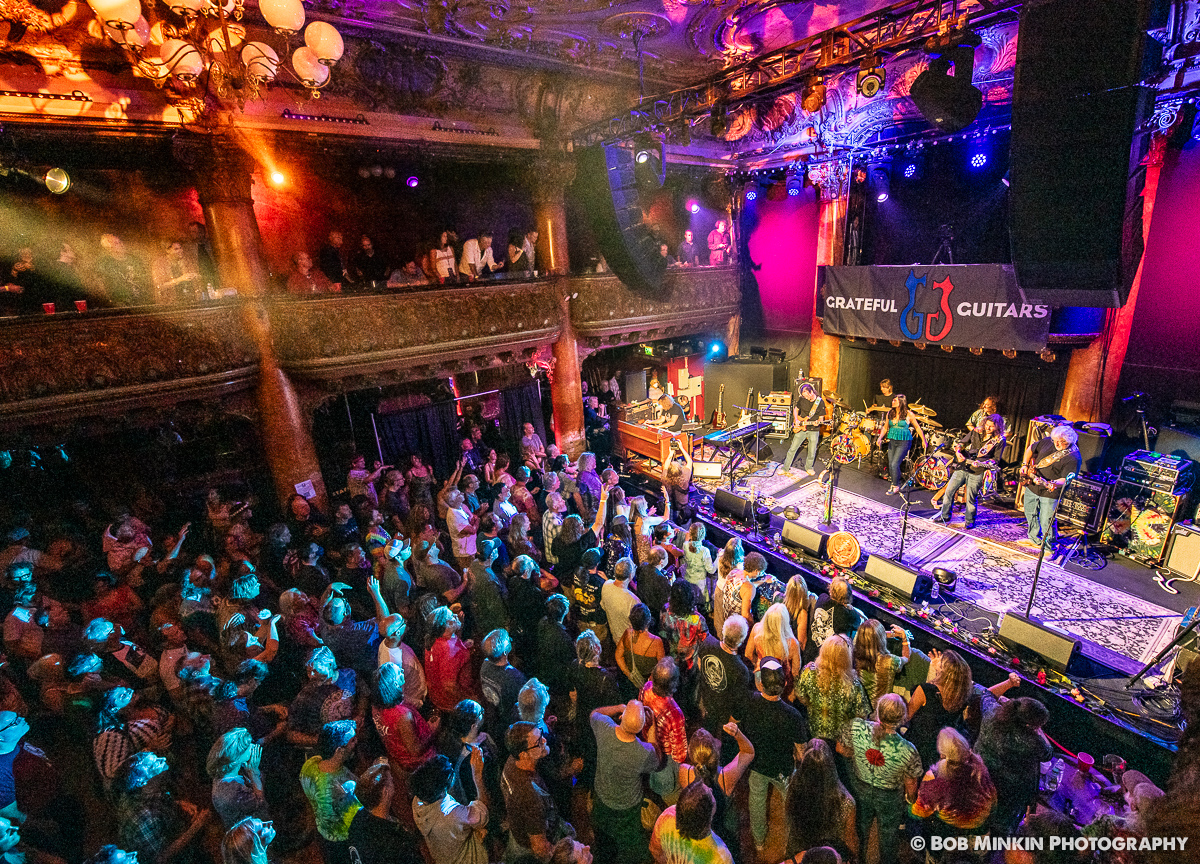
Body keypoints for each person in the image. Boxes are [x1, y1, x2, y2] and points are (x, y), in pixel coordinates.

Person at [839, 694, 922, 864]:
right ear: (901, 719)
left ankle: (857, 860)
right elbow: (911, 782)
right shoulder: (908, 750)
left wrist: (858, 757)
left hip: (859, 786)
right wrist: (911, 799)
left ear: (878, 712)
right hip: (889, 796)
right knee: (888, 834)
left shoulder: (856, 727)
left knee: (860, 827)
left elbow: (841, 748)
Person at [905, 648, 1020, 768]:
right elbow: (987, 695)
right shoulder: (962, 693)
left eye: (941, 661)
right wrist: (1009, 683)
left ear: (945, 671)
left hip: (916, 744)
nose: (938, 660)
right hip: (940, 749)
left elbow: (907, 715)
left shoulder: (926, 690)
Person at [739, 657, 809, 852]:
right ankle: (790, 844)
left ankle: (759, 842)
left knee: (757, 802)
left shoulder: (750, 701)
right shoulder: (793, 715)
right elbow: (802, 751)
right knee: (790, 805)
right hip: (783, 769)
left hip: (757, 765)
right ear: (785, 683)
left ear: (761, 683)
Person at [589, 701, 662, 864]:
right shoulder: (644, 752)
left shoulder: (604, 728)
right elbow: (657, 762)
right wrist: (652, 734)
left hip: (602, 796)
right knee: (629, 847)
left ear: (621, 718)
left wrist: (619, 707)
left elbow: (594, 712)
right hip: (628, 805)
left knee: (603, 839)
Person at [974, 697, 1052, 832]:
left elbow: (986, 695)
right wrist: (1039, 732)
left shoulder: (991, 712)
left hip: (979, 774)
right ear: (1029, 726)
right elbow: (1048, 753)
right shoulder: (1033, 741)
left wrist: (1005, 703)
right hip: (1009, 790)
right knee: (1002, 823)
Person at [674, 723, 753, 850]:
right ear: (716, 752)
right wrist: (737, 733)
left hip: (703, 829)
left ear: (690, 753)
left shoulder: (685, 772)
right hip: (725, 829)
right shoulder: (725, 777)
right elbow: (749, 752)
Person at [502, 721, 572, 861]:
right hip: (534, 845)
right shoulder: (530, 796)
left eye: (541, 734)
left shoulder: (512, 759)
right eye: (538, 742)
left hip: (521, 834)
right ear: (524, 755)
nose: (544, 740)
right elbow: (540, 848)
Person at [910, 727, 997, 838]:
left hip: (948, 834)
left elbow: (920, 811)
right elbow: (993, 798)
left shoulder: (933, 778)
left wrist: (908, 806)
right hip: (980, 830)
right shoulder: (979, 767)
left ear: (942, 755)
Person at [299, 720, 364, 860]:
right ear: (339, 751)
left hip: (324, 834)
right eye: (352, 740)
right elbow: (360, 821)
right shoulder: (344, 790)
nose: (356, 742)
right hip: (345, 842)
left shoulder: (310, 764)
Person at [784, 739, 857, 862]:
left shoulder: (792, 786)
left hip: (799, 850)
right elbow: (850, 838)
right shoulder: (846, 801)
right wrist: (853, 857)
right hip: (829, 856)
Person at [411, 752, 488, 864]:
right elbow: (482, 815)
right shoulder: (451, 813)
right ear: (442, 789)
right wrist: (477, 776)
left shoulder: (417, 801)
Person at [934, 414, 1006, 530]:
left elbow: (996, 459)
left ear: (998, 427)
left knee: (971, 498)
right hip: (963, 466)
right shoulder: (976, 431)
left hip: (978, 470)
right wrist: (958, 452)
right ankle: (945, 516)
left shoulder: (999, 440)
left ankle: (969, 521)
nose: (988, 428)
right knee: (949, 491)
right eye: (987, 425)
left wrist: (985, 463)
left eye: (991, 427)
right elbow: (962, 443)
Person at [794, 636, 870, 746]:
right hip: (840, 742)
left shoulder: (809, 673)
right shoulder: (854, 684)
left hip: (814, 737)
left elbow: (800, 696)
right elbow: (862, 716)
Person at [1020, 424, 1081, 548]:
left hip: (1050, 491)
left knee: (1046, 520)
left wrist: (1053, 483)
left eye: (1062, 442)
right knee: (1029, 512)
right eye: (1055, 441)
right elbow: (1031, 448)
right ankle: (1034, 538)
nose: (1057, 444)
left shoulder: (1074, 457)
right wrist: (1025, 464)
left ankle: (1050, 547)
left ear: (1070, 441)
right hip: (1033, 485)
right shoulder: (1048, 441)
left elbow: (1066, 479)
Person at [649, 782, 732, 864]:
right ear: (709, 817)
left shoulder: (667, 817)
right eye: (711, 795)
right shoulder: (721, 857)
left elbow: (656, 853)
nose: (711, 789)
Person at [695, 616, 751, 737]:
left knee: (707, 738)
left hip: (707, 702)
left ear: (723, 631)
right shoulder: (740, 669)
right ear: (741, 640)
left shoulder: (707, 642)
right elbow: (739, 704)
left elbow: (700, 665)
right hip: (725, 714)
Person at [207, 727, 269, 828]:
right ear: (236, 756)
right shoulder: (232, 791)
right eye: (247, 746)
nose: (253, 746)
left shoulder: (227, 772)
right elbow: (259, 802)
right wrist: (254, 773)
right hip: (250, 832)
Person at [875, 393, 927, 495]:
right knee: (891, 464)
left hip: (904, 442)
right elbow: (885, 427)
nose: (892, 402)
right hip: (893, 441)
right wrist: (880, 438)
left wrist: (923, 440)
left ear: (901, 402)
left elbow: (917, 427)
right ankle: (893, 484)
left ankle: (895, 486)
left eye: (895, 400)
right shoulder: (890, 413)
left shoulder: (909, 414)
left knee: (895, 464)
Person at [479, 628, 525, 742]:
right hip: (508, 721)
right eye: (507, 641)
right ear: (505, 652)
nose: (510, 641)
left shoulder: (485, 664)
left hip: (493, 715)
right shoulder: (514, 677)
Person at [639, 657, 687, 764]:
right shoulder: (675, 712)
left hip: (646, 743)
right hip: (664, 756)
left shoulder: (646, 687)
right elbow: (679, 754)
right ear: (673, 684)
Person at [745, 602, 803, 690]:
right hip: (780, 682)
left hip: (761, 678)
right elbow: (795, 671)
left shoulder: (756, 629)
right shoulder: (792, 643)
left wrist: (757, 663)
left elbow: (748, 654)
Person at [852, 619, 909, 707]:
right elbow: (906, 657)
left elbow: (868, 636)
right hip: (879, 712)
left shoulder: (853, 655)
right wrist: (905, 638)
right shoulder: (890, 661)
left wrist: (893, 634)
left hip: (859, 708)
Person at [784, 382, 826, 475]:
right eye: (804, 396)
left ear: (811, 392)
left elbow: (821, 417)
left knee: (812, 450)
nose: (805, 398)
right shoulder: (802, 399)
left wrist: (818, 422)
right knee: (793, 448)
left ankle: (809, 467)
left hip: (813, 429)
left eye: (807, 396)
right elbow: (796, 409)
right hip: (801, 426)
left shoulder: (820, 402)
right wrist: (796, 419)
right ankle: (785, 468)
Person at [602, 558, 640, 650]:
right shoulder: (633, 600)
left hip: (615, 637)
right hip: (630, 642)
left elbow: (603, 606)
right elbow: (639, 626)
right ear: (630, 575)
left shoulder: (606, 584)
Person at [151, 239, 202, 304]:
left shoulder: (187, 261)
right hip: (169, 304)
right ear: (167, 250)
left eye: (180, 248)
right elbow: (159, 286)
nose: (180, 251)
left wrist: (195, 275)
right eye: (176, 249)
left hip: (190, 301)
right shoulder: (159, 264)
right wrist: (179, 279)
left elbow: (200, 277)